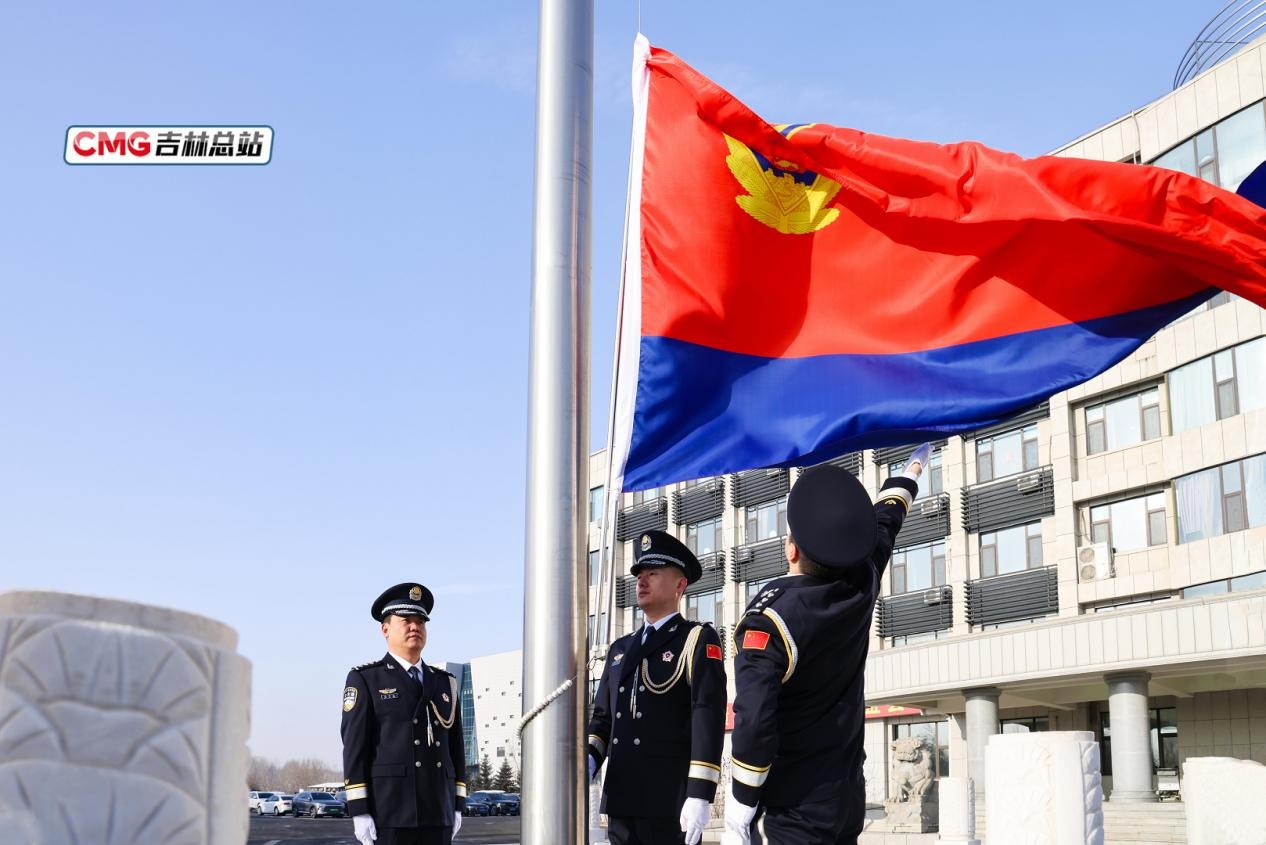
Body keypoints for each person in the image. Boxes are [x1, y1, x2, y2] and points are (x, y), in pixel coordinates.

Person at [722, 444, 931, 845]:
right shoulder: (861, 580)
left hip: (792, 809)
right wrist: (913, 470)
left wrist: (740, 808)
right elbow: (888, 516)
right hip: (845, 799)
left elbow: (754, 718)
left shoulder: (769, 620)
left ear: (792, 548)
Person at [587, 529, 728, 844]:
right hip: (622, 798)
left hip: (669, 800)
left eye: (653, 573)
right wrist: (589, 760)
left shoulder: (695, 640)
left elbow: (707, 717)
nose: (642, 580)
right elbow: (603, 718)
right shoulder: (619, 650)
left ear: (680, 585)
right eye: (639, 574)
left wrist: (700, 793)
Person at [342, 582, 467, 845]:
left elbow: (456, 749)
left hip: (438, 810)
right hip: (390, 811)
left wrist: (457, 804)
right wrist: (360, 810)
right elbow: (355, 748)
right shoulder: (366, 679)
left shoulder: (445, 682)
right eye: (406, 621)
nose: (415, 627)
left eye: (421, 622)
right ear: (385, 629)